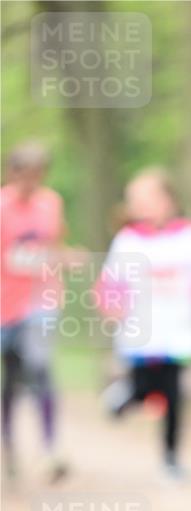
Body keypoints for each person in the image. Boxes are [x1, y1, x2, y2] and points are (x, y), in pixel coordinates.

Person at [97, 168, 191, 478]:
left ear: (168, 200)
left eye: (147, 199)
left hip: (177, 330)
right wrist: (111, 304)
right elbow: (112, 281)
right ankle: (125, 397)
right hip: (141, 330)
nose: (141, 206)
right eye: (135, 200)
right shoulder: (128, 239)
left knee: (173, 394)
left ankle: (171, 457)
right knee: (145, 387)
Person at [1, 142, 81, 482]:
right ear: (13, 173)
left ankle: (50, 450)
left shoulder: (51, 203)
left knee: (40, 365)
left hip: (43, 300)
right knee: (12, 379)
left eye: (38, 176)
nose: (32, 184)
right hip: (5, 305)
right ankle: (10, 452)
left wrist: (68, 257)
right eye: (26, 177)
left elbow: (54, 246)